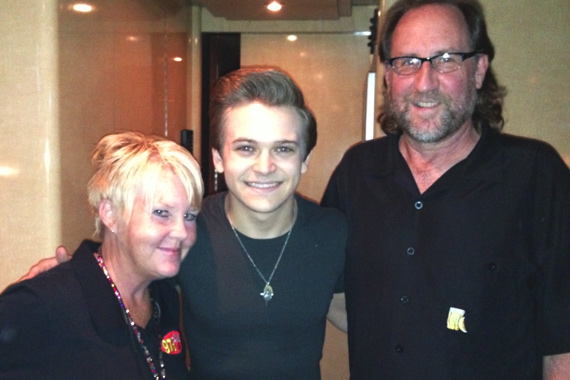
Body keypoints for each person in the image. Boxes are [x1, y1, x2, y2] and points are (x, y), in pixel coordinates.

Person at [18, 68, 347, 380]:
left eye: (283, 149)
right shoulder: (187, 233)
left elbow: (361, 311)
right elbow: (126, 273)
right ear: (219, 158)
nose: (265, 166)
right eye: (246, 148)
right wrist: (67, 282)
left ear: (305, 159)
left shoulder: (335, 233)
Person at [321, 0, 570, 379]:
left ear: (479, 70)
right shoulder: (358, 171)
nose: (425, 82)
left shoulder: (536, 175)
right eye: (407, 62)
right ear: (388, 75)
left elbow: (563, 340)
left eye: (446, 59)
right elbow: (332, 294)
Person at [0, 132, 204, 379]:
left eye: (189, 216)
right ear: (109, 213)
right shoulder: (41, 305)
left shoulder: (163, 295)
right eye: (161, 212)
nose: (182, 232)